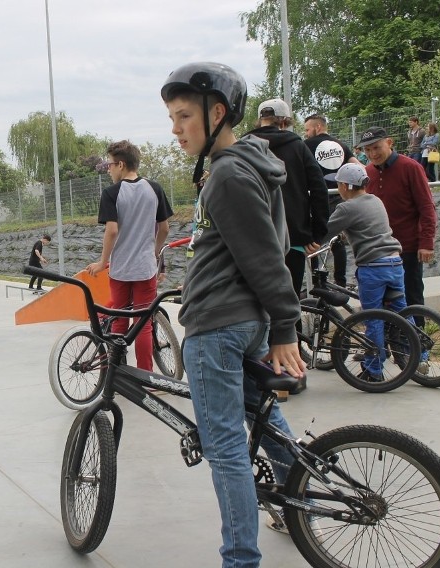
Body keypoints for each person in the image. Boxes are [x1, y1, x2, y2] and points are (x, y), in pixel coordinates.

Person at [161, 61, 305, 566]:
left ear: (217, 112)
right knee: (267, 420)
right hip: (241, 321)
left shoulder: (227, 174)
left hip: (218, 329)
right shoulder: (251, 164)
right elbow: (243, 246)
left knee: (225, 451)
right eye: (172, 118)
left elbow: (267, 254)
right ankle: (296, 499)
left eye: (183, 116)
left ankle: (240, 559)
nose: (175, 129)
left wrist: (286, 325)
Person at [311, 163, 408, 381]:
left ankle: (374, 371)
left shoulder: (347, 208)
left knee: (372, 317)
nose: (337, 188)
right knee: (402, 314)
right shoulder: (376, 201)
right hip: (394, 262)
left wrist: (309, 243)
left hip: (374, 268)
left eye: (338, 184)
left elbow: (324, 232)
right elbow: (368, 227)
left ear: (345, 185)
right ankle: (416, 357)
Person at [85, 140, 173, 372]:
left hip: (121, 269)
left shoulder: (111, 194)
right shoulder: (155, 189)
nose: (109, 170)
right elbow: (164, 228)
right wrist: (153, 254)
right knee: (143, 324)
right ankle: (146, 377)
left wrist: (103, 262)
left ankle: (115, 371)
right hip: (145, 269)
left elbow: (112, 231)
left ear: (121, 165)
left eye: (110, 165)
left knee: (119, 320)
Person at [247, 100, 328, 299]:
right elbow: (319, 188)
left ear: (260, 121)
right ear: (284, 122)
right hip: (293, 237)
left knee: (258, 303)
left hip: (254, 239)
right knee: (290, 300)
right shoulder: (297, 146)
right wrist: (316, 234)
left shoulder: (244, 147)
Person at [356, 126, 437, 321]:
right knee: (384, 303)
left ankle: (418, 346)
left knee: (412, 297)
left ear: (389, 143)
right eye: (367, 150)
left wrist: (426, 243)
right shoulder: (367, 173)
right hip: (379, 251)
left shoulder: (411, 167)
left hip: (408, 247)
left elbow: (426, 207)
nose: (372, 153)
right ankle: (395, 347)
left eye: (376, 147)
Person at [304, 113, 361, 288]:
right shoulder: (340, 145)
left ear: (317, 127)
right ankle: (340, 282)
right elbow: (358, 166)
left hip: (316, 197)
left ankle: (315, 283)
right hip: (339, 195)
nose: (306, 133)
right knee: (337, 241)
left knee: (313, 240)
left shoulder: (305, 146)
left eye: (307, 129)